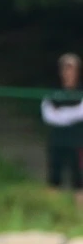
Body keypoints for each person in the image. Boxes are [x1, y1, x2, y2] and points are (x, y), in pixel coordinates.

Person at [41, 53, 83, 200]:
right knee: (54, 177)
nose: (68, 72)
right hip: (56, 140)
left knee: (79, 179)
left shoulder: (81, 91)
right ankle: (53, 213)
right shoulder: (53, 90)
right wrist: (67, 115)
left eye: (71, 68)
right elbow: (48, 115)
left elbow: (80, 113)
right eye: (65, 68)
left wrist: (61, 114)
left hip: (78, 141)